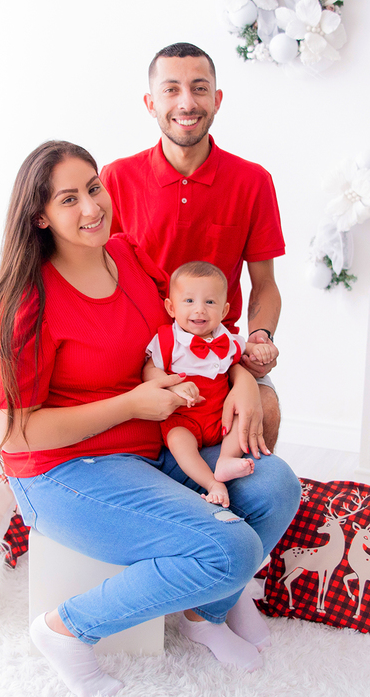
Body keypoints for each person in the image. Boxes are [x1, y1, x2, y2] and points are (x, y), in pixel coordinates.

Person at [0, 140, 300, 697]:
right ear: (40, 216)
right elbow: (15, 434)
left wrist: (244, 379)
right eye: (69, 199)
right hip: (64, 471)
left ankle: (204, 615)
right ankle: (66, 629)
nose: (91, 207)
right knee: (230, 550)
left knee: (275, 486)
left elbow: (191, 336)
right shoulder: (24, 303)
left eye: (94, 188)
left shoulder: (126, 255)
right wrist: (131, 405)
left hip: (152, 447)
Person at [102, 41, 285, 448]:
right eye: (171, 90)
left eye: (199, 88)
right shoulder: (115, 178)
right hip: (141, 355)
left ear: (217, 99)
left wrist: (261, 337)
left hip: (220, 351)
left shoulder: (253, 181)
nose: (187, 102)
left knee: (266, 410)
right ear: (151, 103)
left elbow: (265, 283)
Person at [143, 260, 278, 508]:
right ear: (171, 307)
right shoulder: (167, 340)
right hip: (184, 418)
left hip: (220, 416)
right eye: (189, 301)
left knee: (241, 417)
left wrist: (261, 349)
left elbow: (246, 348)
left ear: (224, 311)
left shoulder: (225, 338)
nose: (200, 310)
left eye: (210, 302)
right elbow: (149, 371)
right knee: (178, 442)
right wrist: (172, 385)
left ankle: (226, 459)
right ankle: (212, 483)